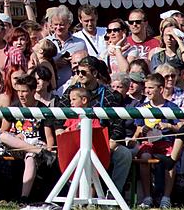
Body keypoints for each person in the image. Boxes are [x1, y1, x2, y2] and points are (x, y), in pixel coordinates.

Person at [54, 56, 133, 198]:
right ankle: (71, 196)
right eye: (77, 72)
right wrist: (61, 135)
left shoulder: (109, 95)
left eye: (83, 72)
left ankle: (113, 196)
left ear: (95, 73)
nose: (79, 75)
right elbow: (58, 117)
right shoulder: (71, 92)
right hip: (74, 142)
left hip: (102, 142)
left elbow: (117, 123)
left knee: (124, 155)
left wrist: (112, 142)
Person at [0, 74, 56, 203]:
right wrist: (15, 136)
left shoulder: (42, 109)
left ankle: (23, 198)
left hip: (35, 144)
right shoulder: (14, 108)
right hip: (18, 145)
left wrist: (49, 149)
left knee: (30, 157)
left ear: (33, 91)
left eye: (24, 91)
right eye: (18, 91)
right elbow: (3, 131)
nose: (21, 95)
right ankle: (40, 152)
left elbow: (49, 137)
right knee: (3, 137)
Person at [133, 73, 181, 209]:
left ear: (160, 89)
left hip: (166, 142)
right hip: (149, 143)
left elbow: (181, 128)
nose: (147, 91)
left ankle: (166, 197)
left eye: (151, 88)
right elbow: (137, 132)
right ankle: (147, 197)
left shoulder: (171, 107)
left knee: (170, 158)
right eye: (146, 87)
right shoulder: (142, 108)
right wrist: (143, 130)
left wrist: (169, 126)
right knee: (144, 157)